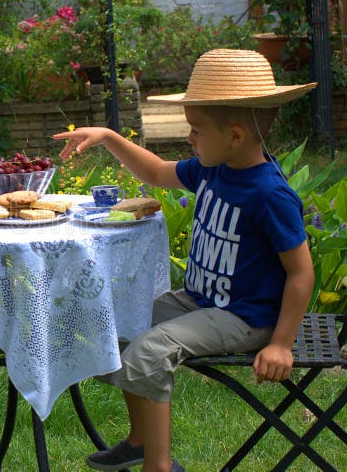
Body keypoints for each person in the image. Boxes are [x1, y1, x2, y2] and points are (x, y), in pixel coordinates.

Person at [53, 49, 316, 472]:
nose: (189, 139)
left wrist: (281, 343)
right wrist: (109, 137)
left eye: (195, 131)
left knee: (152, 351)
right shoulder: (216, 168)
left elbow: (301, 272)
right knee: (118, 322)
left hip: (247, 317)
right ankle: (140, 441)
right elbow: (157, 172)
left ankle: (159, 465)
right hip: (203, 301)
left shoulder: (269, 193)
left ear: (234, 135)